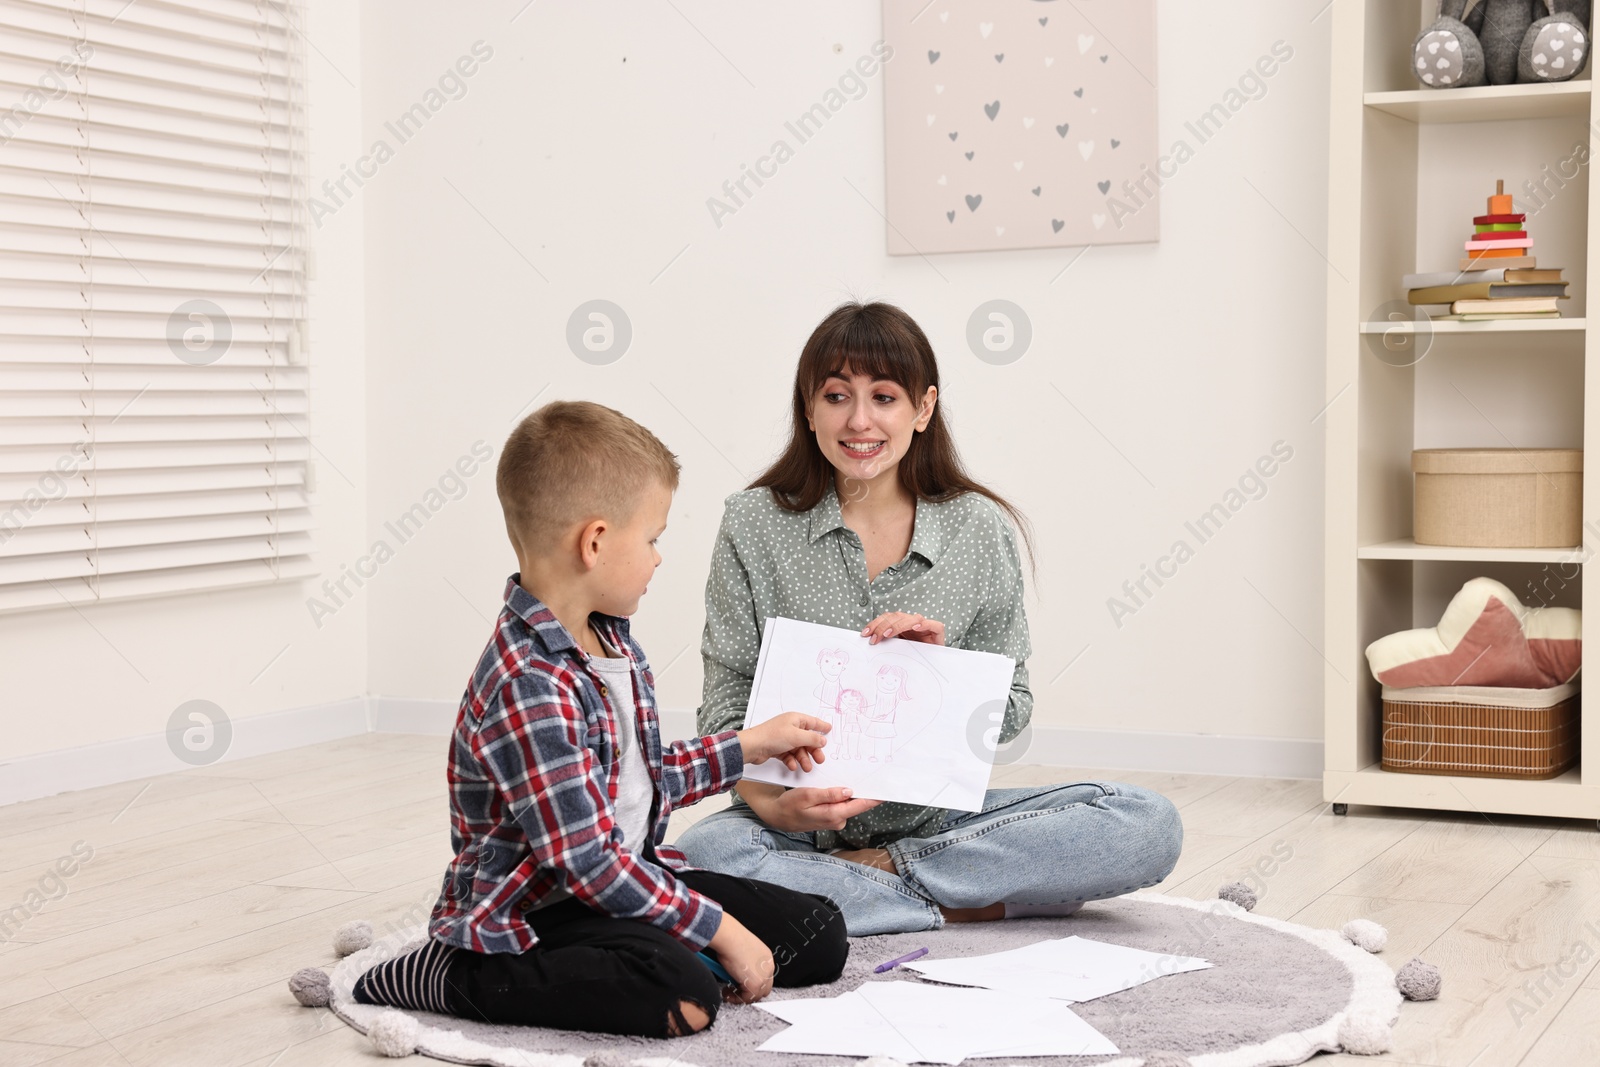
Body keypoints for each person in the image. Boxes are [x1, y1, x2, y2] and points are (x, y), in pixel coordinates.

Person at [676, 301, 1184, 936]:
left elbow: (1013, 709)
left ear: (922, 409)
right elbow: (724, 705)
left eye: (884, 397)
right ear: (808, 409)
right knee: (702, 857)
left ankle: (873, 885)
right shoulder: (752, 523)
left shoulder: (979, 528)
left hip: (934, 824)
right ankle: (968, 901)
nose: (859, 420)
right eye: (836, 396)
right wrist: (771, 808)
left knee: (1146, 821)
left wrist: (946, 677)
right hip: (791, 827)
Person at [351, 400, 848, 1038]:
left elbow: (640, 776)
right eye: (653, 538)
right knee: (683, 996)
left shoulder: (610, 641)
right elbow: (585, 862)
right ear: (595, 542)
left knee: (821, 935)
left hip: (627, 881)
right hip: (542, 909)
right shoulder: (529, 682)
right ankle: (456, 976)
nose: (659, 557)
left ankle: (662, 946)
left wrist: (750, 745)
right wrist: (717, 929)